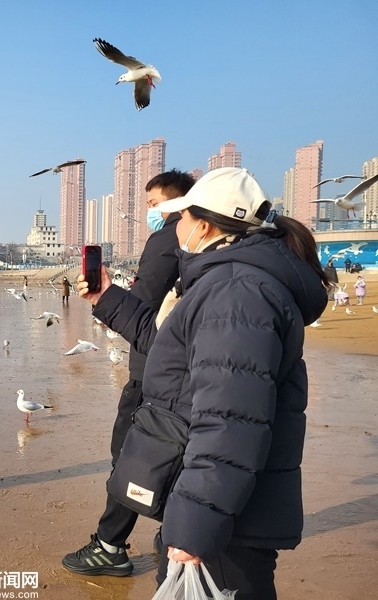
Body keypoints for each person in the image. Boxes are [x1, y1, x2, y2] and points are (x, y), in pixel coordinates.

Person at [76, 168, 328, 599]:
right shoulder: (226, 282)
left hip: (225, 522)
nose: (175, 228)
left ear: (205, 225)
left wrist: (197, 523)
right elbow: (169, 347)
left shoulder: (235, 293)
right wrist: (106, 297)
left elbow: (231, 419)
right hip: (224, 508)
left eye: (181, 217)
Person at [62, 169, 195, 577]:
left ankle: (110, 546)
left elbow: (144, 305)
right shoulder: (205, 250)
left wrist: (107, 298)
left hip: (153, 369)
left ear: (176, 203)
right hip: (182, 371)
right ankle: (175, 532)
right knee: (174, 455)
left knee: (131, 458)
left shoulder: (170, 237)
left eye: (153, 204)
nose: (149, 212)